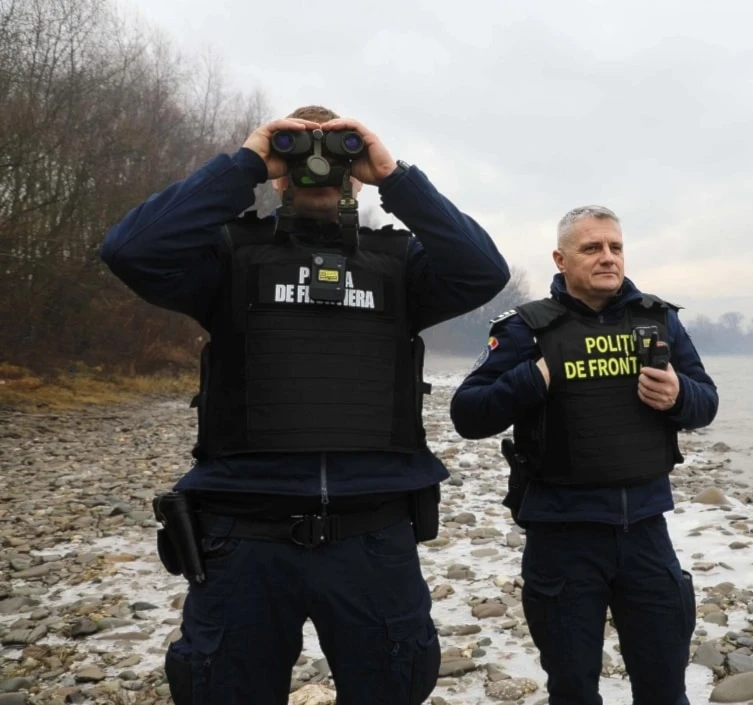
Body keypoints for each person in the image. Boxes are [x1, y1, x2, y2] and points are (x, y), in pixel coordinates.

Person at [99, 105, 510, 705]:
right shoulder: (228, 259)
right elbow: (130, 250)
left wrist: (395, 177)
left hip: (372, 539)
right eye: (296, 153)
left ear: (355, 172)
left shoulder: (399, 268)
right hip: (244, 542)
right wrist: (244, 166)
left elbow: (483, 270)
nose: (319, 166)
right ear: (279, 173)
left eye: (338, 153)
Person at [449, 205, 718, 705]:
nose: (608, 258)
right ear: (561, 259)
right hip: (562, 537)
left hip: (645, 532)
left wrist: (680, 395)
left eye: (615, 247)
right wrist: (535, 377)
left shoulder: (658, 320)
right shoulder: (524, 328)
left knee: (665, 687)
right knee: (573, 689)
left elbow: (707, 403)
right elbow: (468, 414)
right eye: (591, 248)